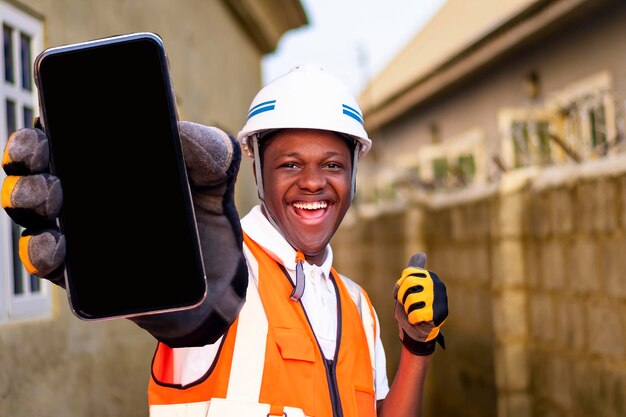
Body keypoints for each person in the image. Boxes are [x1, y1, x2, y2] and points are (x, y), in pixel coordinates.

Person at [2, 64, 447, 417]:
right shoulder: (219, 269)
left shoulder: (358, 306)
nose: (314, 183)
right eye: (290, 165)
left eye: (332, 165)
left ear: (353, 173)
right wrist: (174, 276)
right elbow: (192, 317)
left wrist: (416, 345)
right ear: (257, 171)